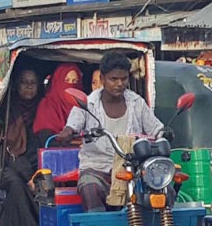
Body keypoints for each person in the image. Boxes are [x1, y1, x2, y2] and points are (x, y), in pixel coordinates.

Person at [56, 52, 163, 212]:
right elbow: (72, 125)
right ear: (103, 78)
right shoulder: (88, 104)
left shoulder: (137, 103)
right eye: (114, 79)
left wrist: (164, 133)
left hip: (131, 168)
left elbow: (156, 128)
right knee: (90, 187)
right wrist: (68, 132)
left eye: (124, 79)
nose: (119, 83)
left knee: (163, 188)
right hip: (97, 168)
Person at [0, 68, 42, 226]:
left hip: (37, 164)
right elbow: (8, 148)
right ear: (16, 85)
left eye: (33, 83)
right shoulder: (8, 109)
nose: (29, 87)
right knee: (17, 186)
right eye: (24, 82)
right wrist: (28, 176)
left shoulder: (43, 108)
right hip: (8, 165)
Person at [33, 63, 83, 139]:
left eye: (75, 81)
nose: (71, 86)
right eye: (66, 80)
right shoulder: (47, 105)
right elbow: (46, 139)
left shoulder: (84, 107)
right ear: (57, 82)